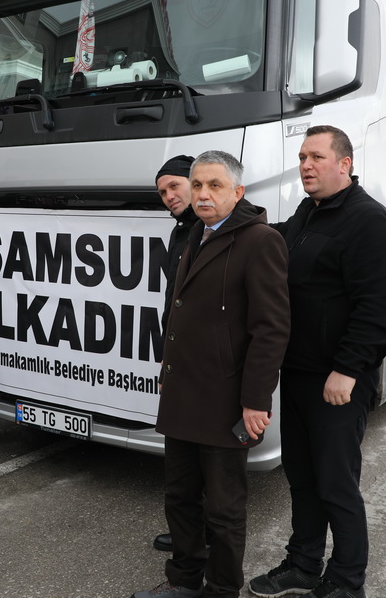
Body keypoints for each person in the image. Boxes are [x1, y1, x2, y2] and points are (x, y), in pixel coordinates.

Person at [250, 126, 386, 598]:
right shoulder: (307, 213)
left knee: (337, 486)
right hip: (297, 374)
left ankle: (347, 580)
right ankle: (303, 564)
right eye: (301, 157)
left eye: (316, 156)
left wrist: (350, 369)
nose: (306, 165)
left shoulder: (370, 221)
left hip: (337, 381)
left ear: (345, 163)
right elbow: (280, 245)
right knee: (303, 480)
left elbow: (378, 309)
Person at [132, 151, 289, 598]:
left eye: (214, 186)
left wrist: (256, 400)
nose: (203, 194)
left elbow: (271, 329)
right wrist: (167, 368)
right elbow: (180, 313)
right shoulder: (195, 234)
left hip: (226, 401)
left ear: (237, 192)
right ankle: (184, 580)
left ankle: (221, 590)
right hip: (183, 393)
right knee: (180, 497)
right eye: (197, 185)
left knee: (223, 509)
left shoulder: (260, 240)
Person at [150, 154, 199, 554]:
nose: (168, 196)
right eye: (162, 192)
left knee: (202, 461)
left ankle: (201, 544)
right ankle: (188, 535)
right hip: (178, 359)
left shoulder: (210, 230)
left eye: (174, 187)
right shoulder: (180, 232)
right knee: (181, 459)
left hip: (205, 366)